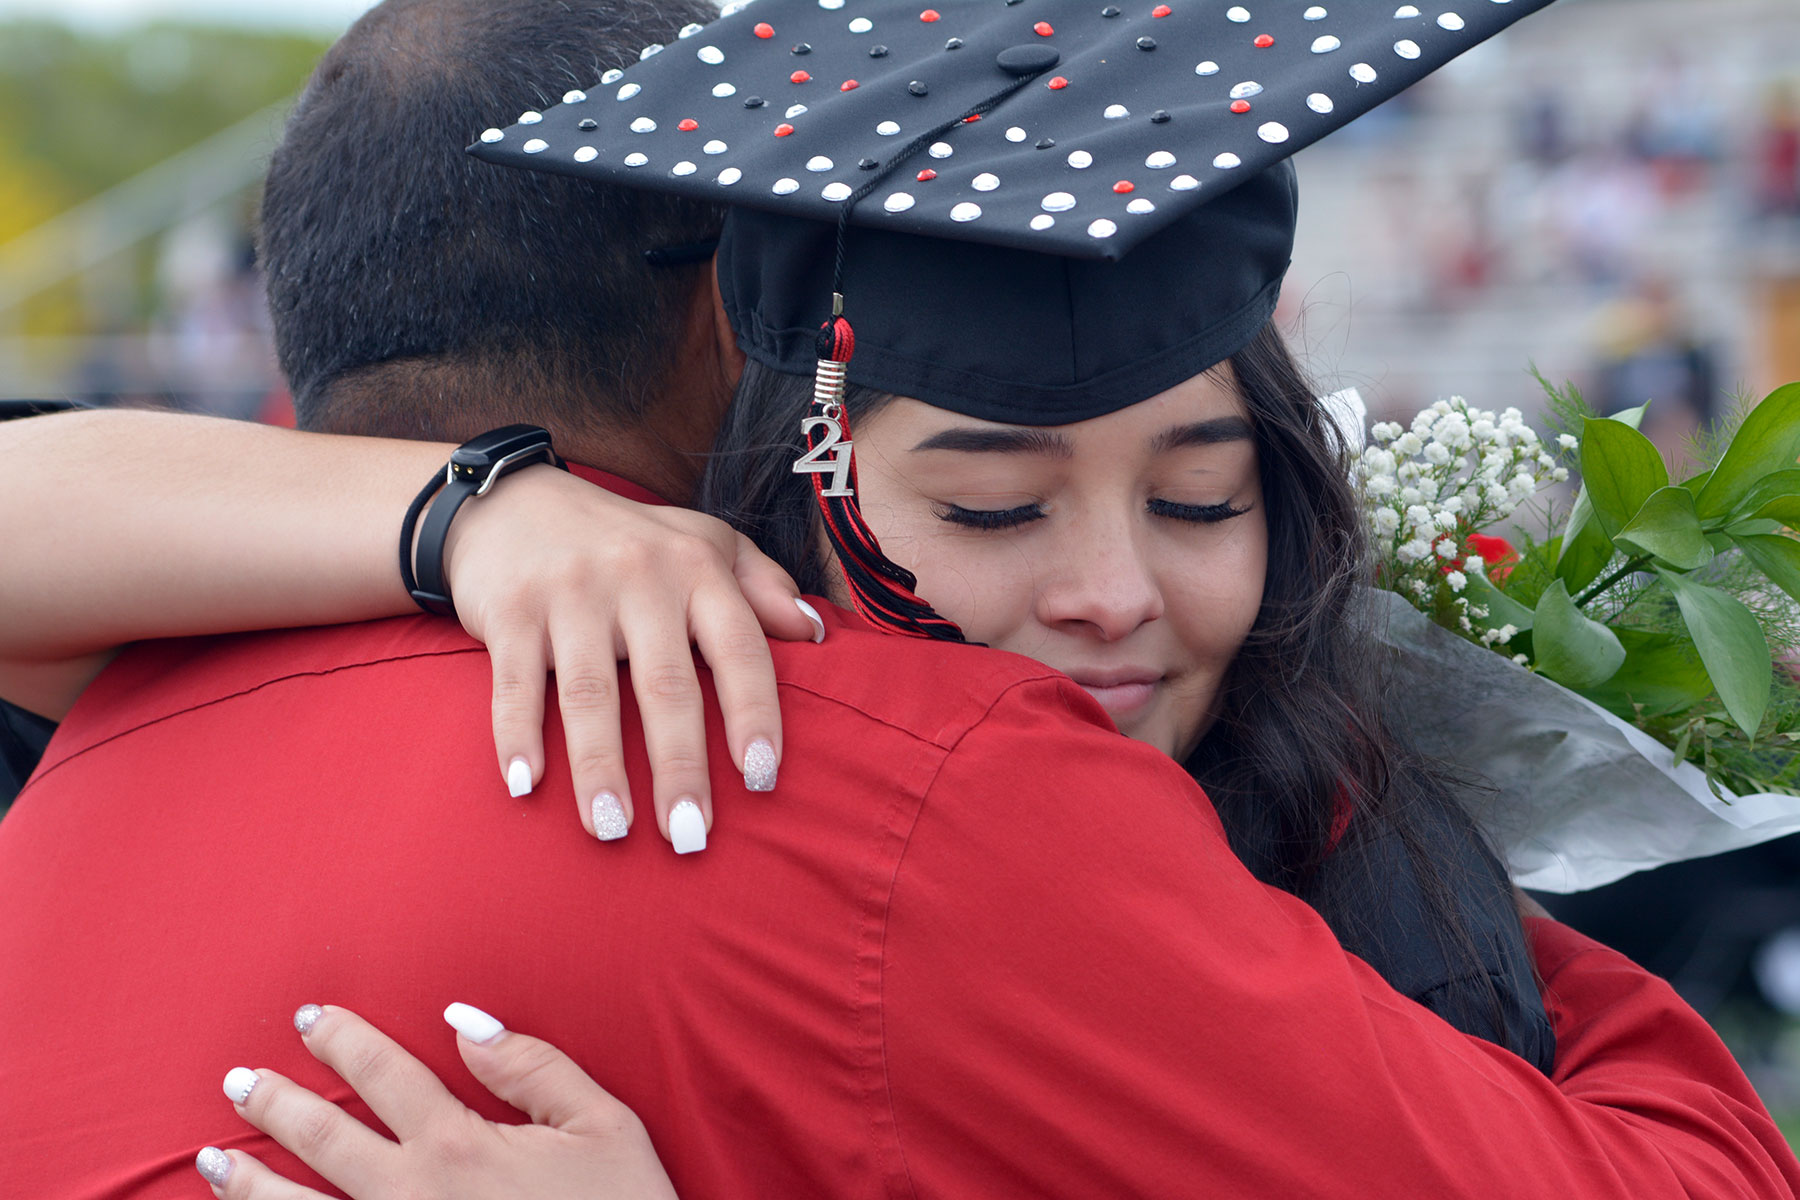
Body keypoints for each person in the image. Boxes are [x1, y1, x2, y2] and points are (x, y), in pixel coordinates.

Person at [2, 2, 1796, 1198]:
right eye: (996, 502)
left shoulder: (104, 733)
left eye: (1199, 495)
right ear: (773, 372)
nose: (1107, 592)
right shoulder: (898, 782)